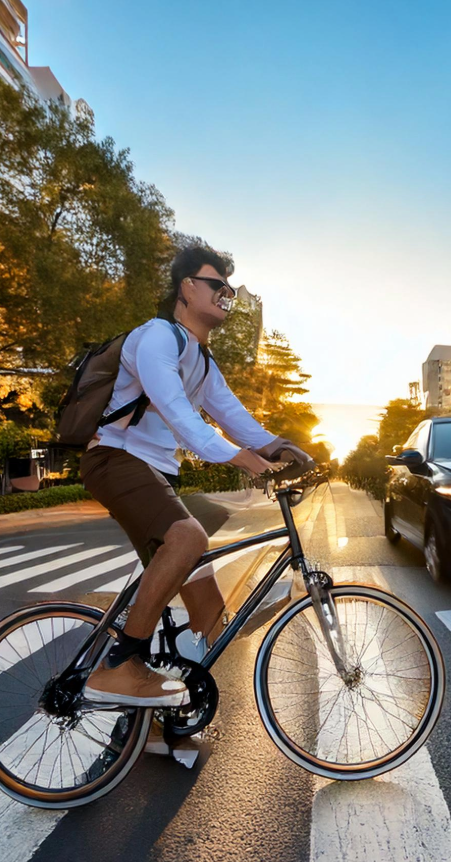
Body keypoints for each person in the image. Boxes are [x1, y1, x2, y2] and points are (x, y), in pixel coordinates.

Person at [80, 245, 309, 706]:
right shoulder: (157, 338)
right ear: (186, 286)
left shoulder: (201, 360)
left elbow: (235, 416)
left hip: (157, 474)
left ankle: (156, 725)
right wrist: (240, 458)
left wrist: (281, 447)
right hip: (115, 458)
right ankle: (118, 667)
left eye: (229, 287)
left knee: (208, 613)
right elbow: (180, 415)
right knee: (187, 539)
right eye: (215, 283)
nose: (225, 293)